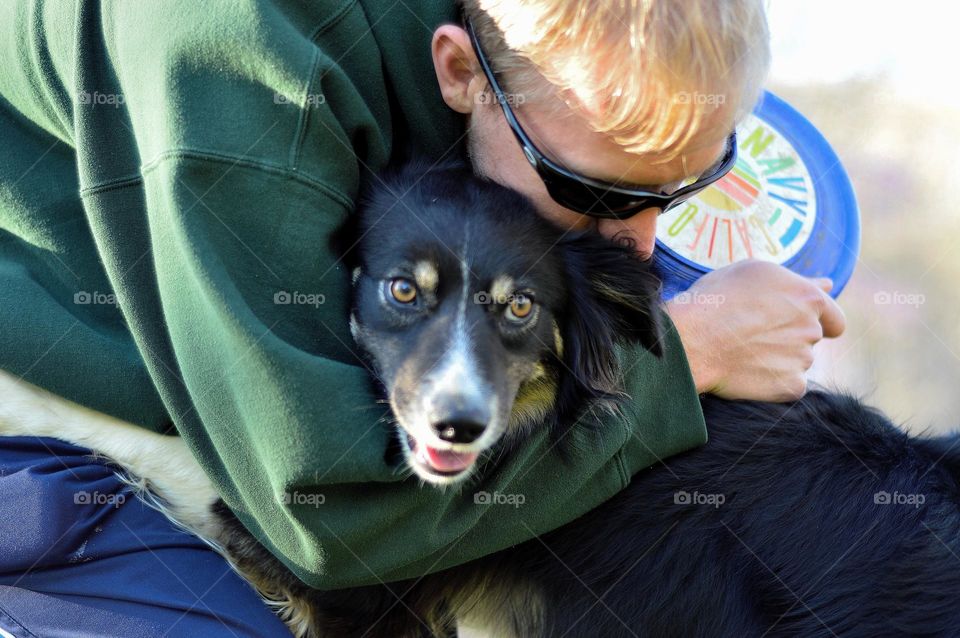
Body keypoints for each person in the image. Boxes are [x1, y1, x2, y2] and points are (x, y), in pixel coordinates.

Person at [0, 0, 843, 634]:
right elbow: (329, 517)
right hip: (43, 422)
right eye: (594, 192)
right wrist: (688, 359)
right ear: (462, 72)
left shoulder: (520, 72)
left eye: (677, 193)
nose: (644, 245)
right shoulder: (242, 79)